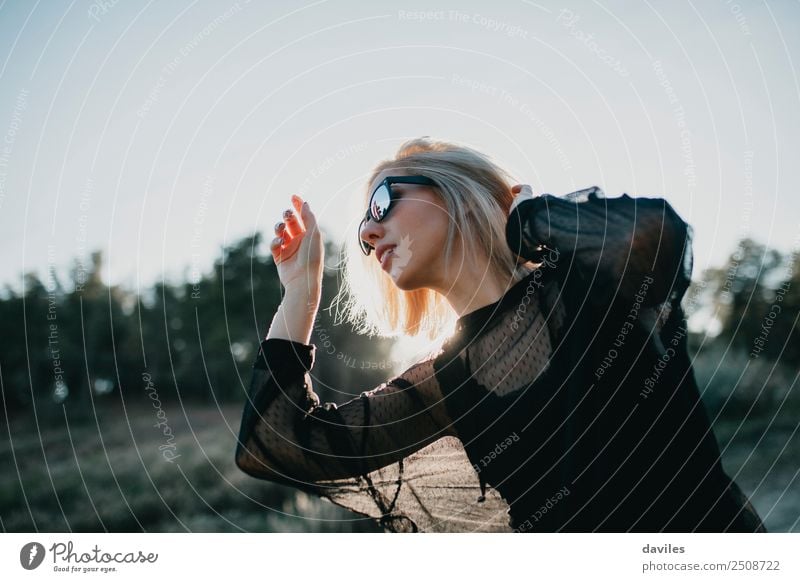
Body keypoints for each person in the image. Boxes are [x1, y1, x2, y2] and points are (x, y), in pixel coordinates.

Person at [235, 137, 766, 533]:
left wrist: (527, 220)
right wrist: (301, 294)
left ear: (455, 193)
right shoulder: (445, 383)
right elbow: (276, 446)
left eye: (380, 204)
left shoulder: (586, 286)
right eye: (362, 233)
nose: (370, 235)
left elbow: (658, 235)